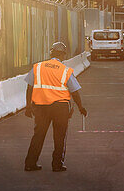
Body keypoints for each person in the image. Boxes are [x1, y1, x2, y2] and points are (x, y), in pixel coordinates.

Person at [23, 41, 87, 172]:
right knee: (59, 136)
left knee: (38, 135)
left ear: (51, 53)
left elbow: (29, 88)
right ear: (63, 55)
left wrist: (28, 107)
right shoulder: (65, 71)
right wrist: (81, 107)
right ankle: (57, 165)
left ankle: (30, 164)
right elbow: (75, 92)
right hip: (60, 108)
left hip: (41, 107)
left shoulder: (38, 67)